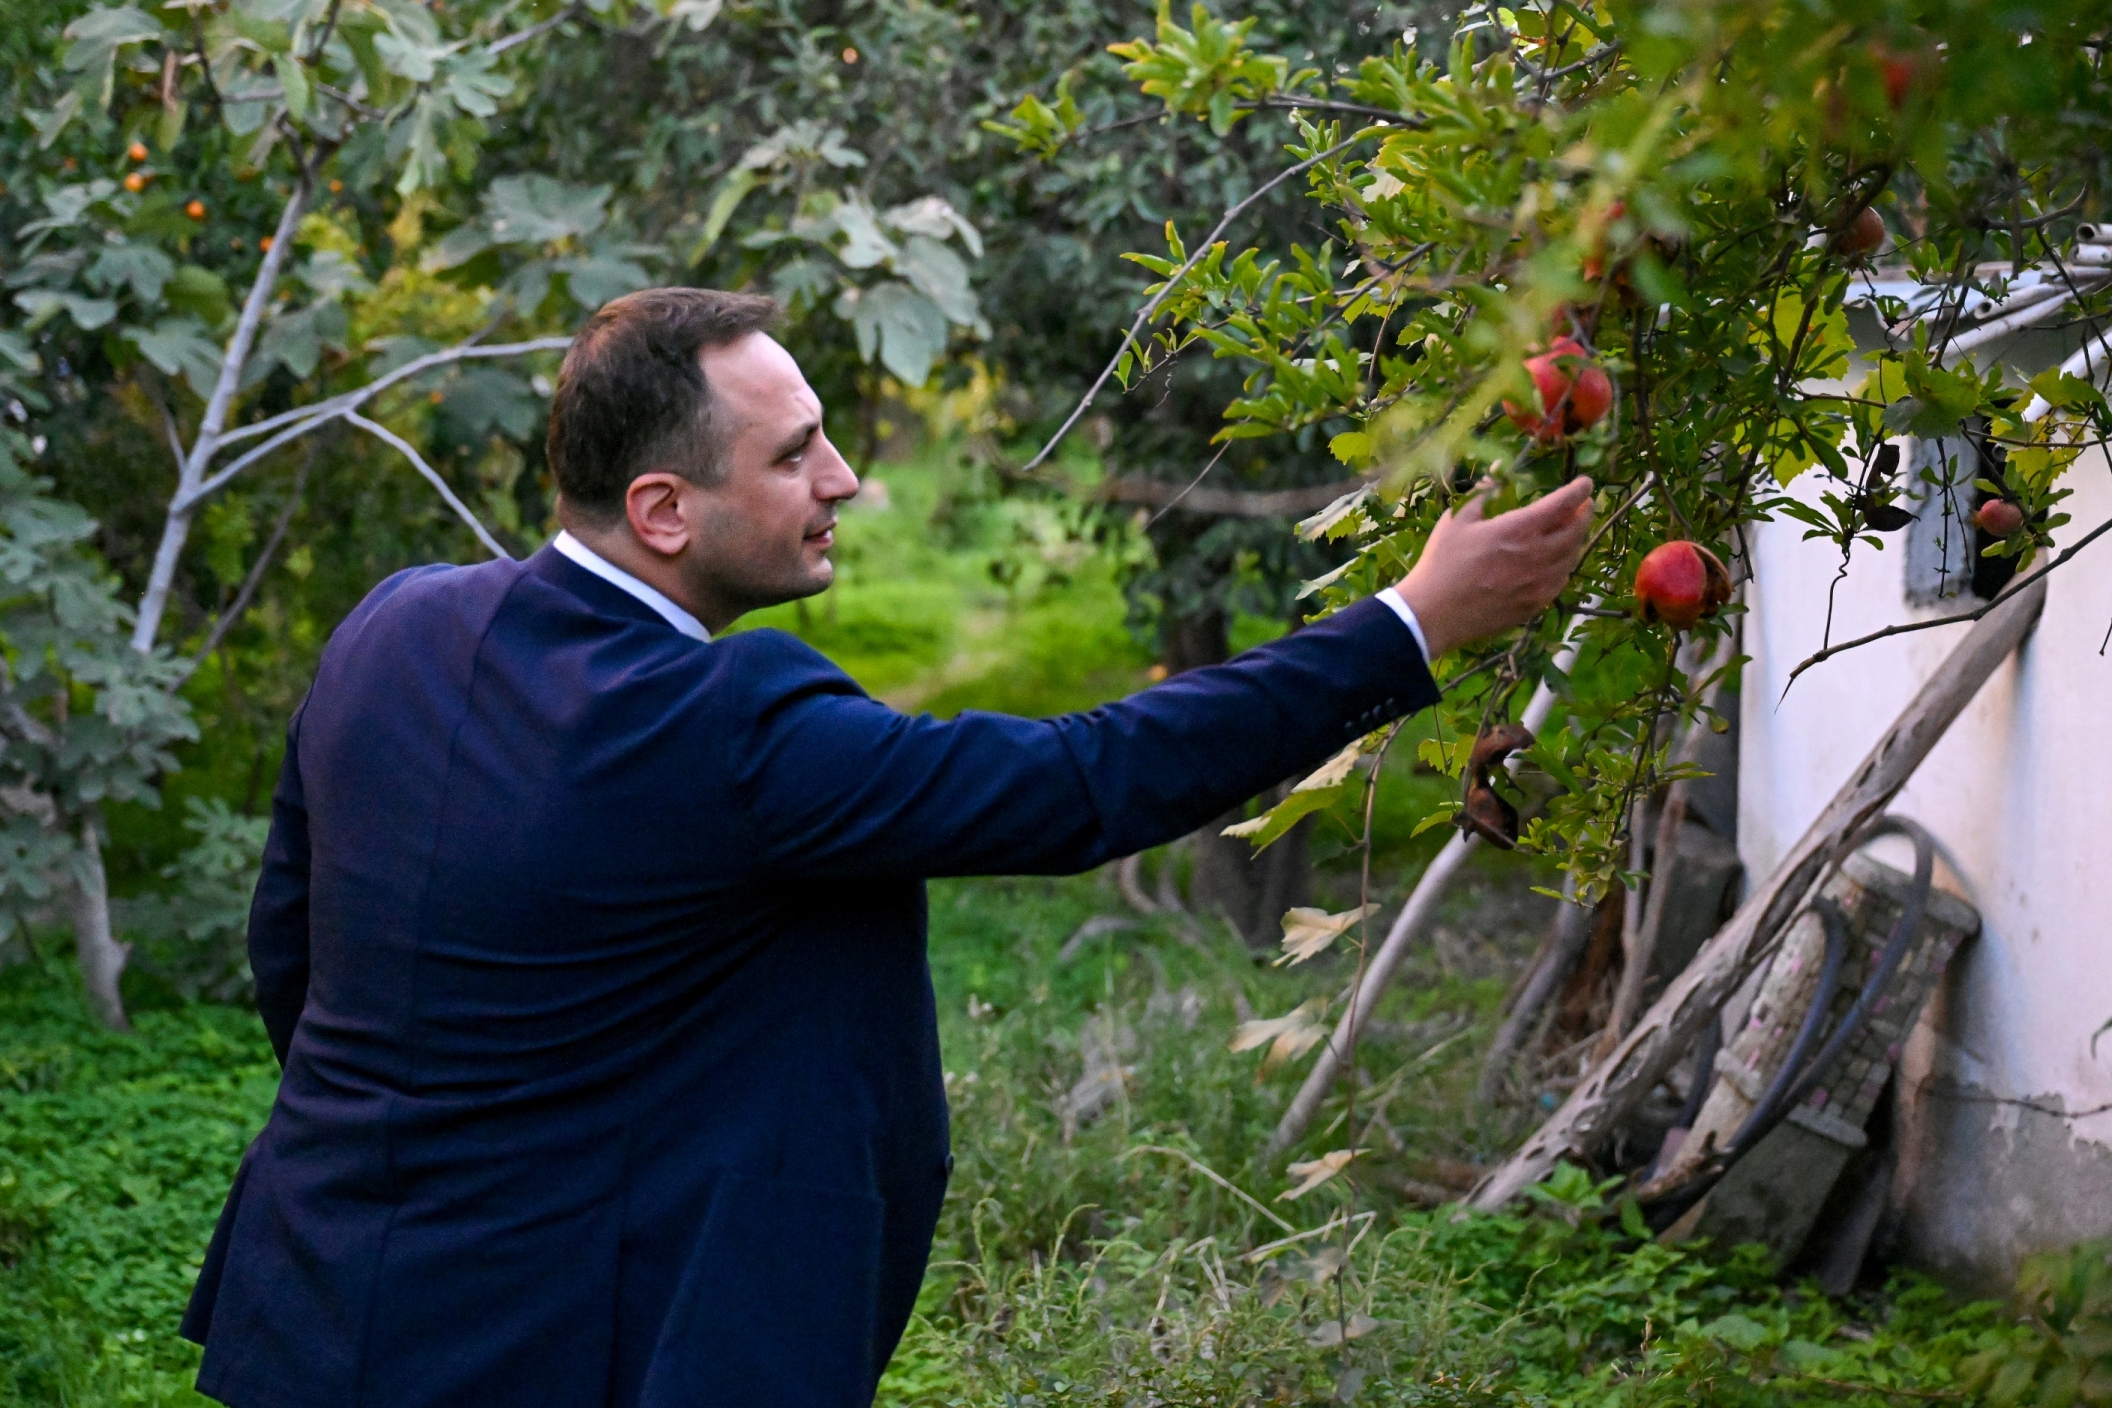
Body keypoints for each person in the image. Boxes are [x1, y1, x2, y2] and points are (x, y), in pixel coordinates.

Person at [180, 287, 1593, 1408]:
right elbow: (1083, 783)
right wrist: (1415, 624)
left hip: (315, 1315)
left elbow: (293, 957)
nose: (845, 479)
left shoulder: (392, 629)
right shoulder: (729, 724)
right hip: (558, 1354)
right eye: (795, 453)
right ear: (664, 510)